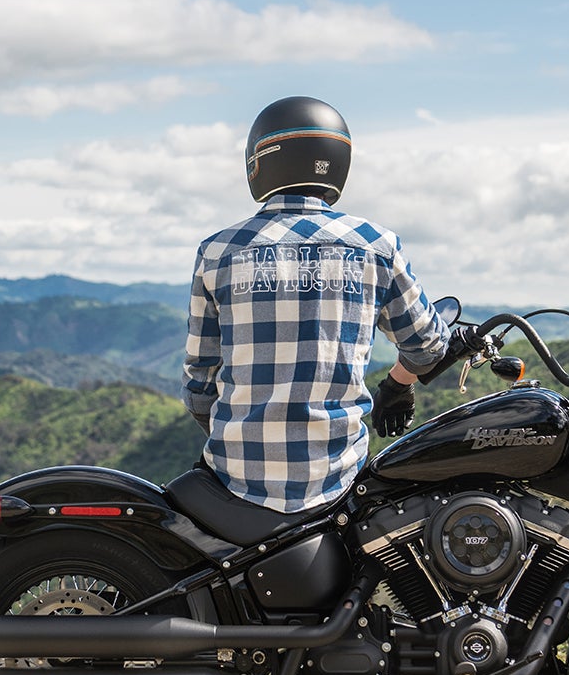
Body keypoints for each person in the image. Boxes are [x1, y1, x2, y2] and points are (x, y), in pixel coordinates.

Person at [182, 95, 469, 517]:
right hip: (340, 481)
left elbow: (200, 382)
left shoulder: (219, 251)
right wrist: (397, 384)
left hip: (234, 479)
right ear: (338, 160)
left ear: (260, 159)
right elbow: (427, 347)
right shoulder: (377, 245)